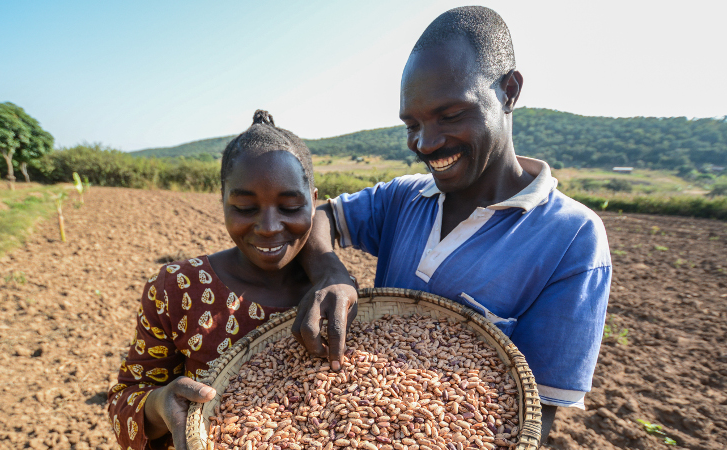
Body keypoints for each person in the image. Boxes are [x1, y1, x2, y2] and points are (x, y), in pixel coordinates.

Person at [291, 6, 612, 445]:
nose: (426, 143)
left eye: (450, 114)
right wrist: (330, 272)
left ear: (509, 91)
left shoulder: (572, 239)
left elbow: (536, 412)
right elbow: (322, 216)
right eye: (412, 124)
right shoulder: (404, 197)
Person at [107, 110, 320, 449]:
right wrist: (160, 403)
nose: (268, 227)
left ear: (314, 199)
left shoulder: (332, 294)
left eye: (291, 206)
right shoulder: (177, 288)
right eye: (245, 208)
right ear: (222, 201)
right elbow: (126, 399)